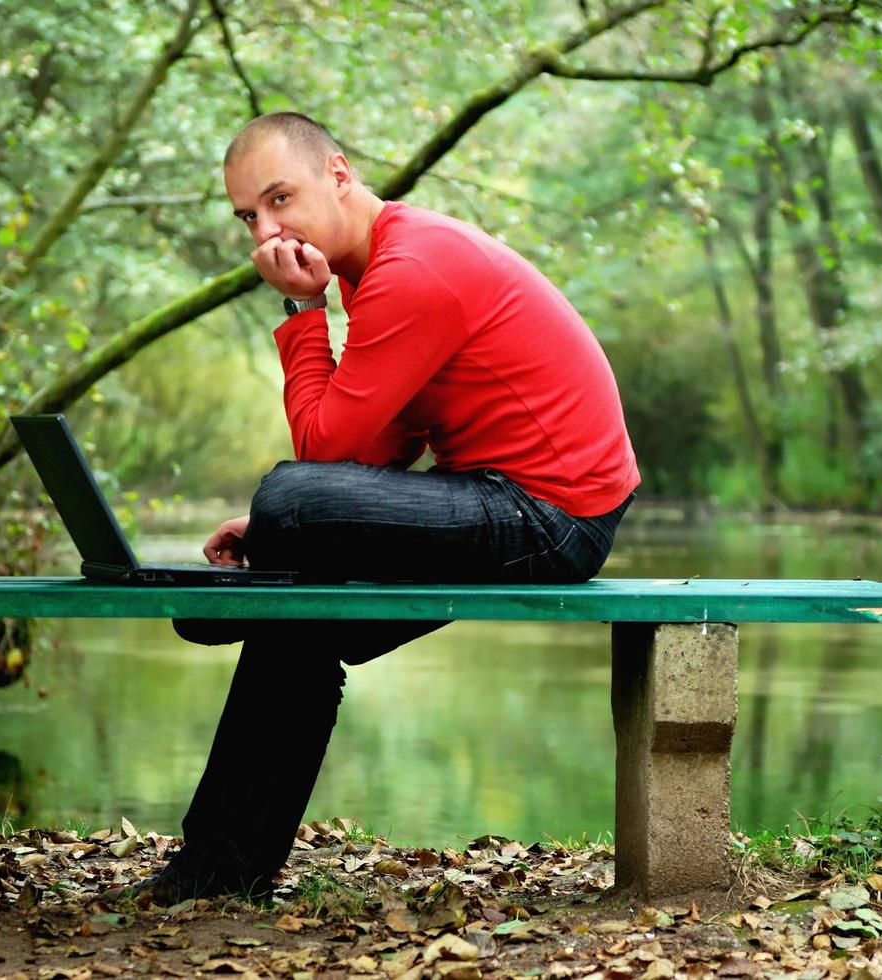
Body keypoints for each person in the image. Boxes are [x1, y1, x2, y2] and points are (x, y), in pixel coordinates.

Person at [128, 112, 639, 905]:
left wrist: (303, 317)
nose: (266, 233)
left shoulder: (413, 267)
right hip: (501, 500)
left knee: (293, 497)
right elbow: (373, 451)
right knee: (299, 612)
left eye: (280, 199)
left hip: (553, 516)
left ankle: (256, 591)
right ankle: (218, 875)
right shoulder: (375, 275)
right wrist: (283, 524)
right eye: (248, 217)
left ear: (338, 175)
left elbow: (323, 453)